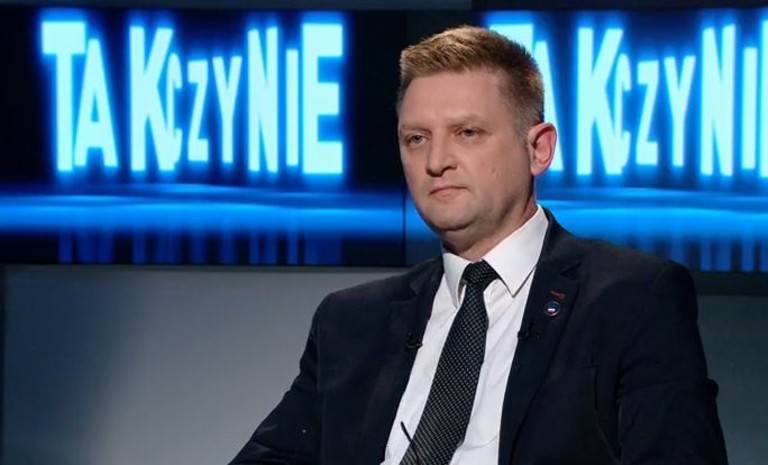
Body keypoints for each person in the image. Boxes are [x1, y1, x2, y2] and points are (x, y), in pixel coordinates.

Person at [230, 26, 727, 464]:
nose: (436, 161)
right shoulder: (351, 322)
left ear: (539, 149)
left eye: (467, 133)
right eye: (416, 139)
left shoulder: (631, 298)